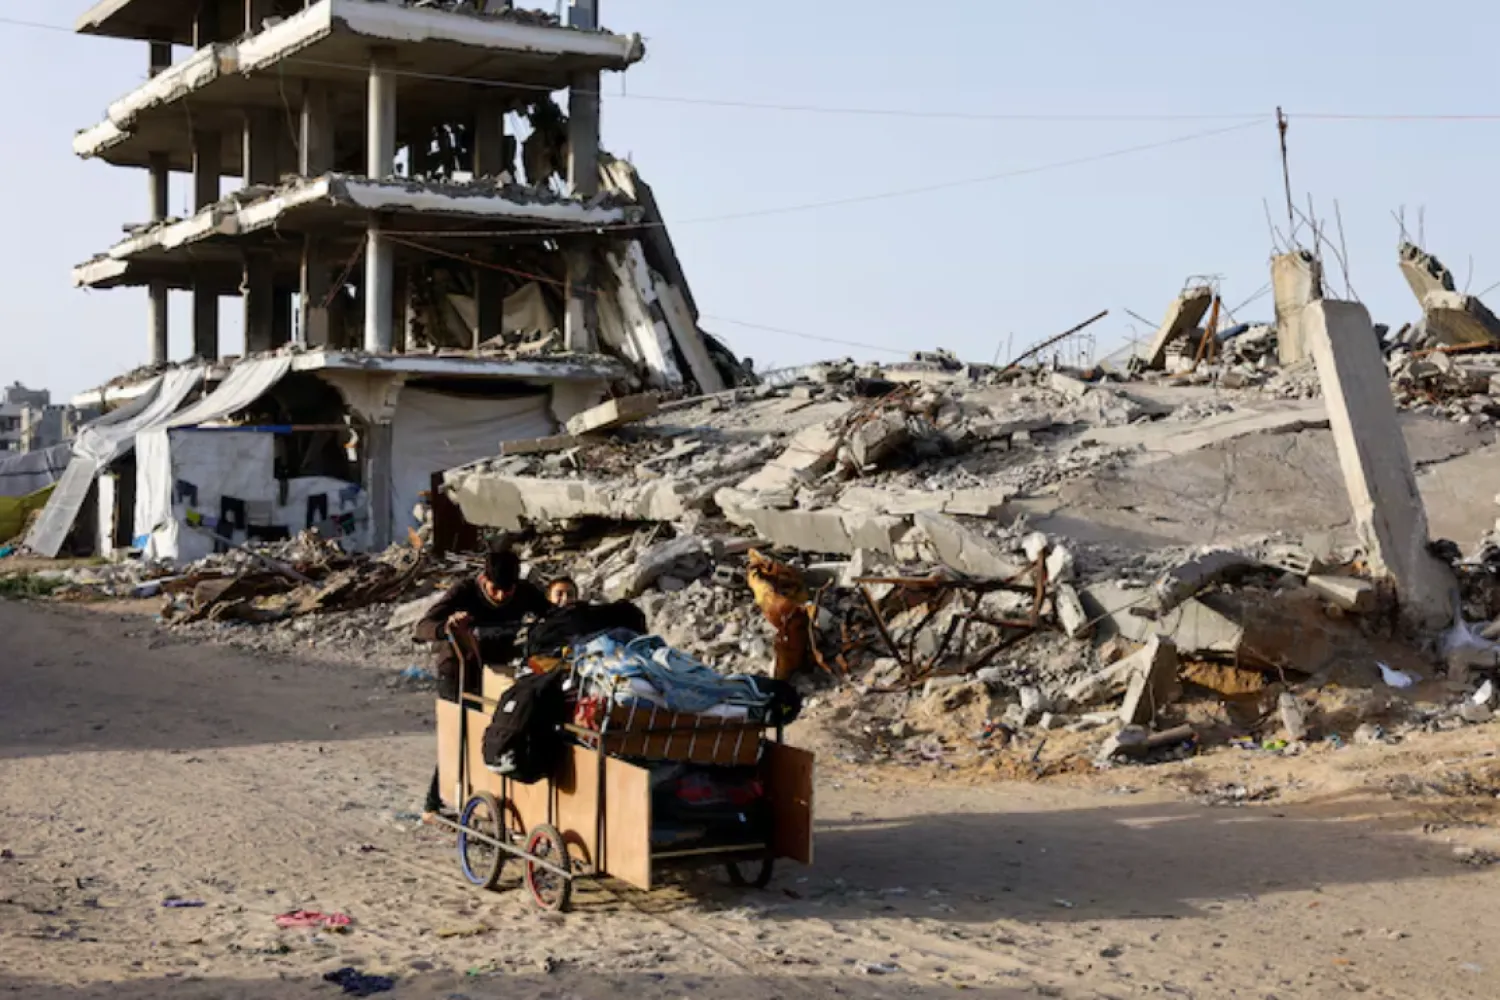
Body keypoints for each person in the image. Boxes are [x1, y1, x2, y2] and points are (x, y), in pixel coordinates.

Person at [415, 548, 551, 816]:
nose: (501, 596)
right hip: (459, 670)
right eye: (495, 589)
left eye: (507, 591)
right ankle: (433, 803)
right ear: (483, 579)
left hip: (499, 671)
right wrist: (446, 626)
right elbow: (423, 626)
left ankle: (488, 799)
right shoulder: (464, 592)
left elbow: (551, 615)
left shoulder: (524, 592)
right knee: (460, 732)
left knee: (500, 732)